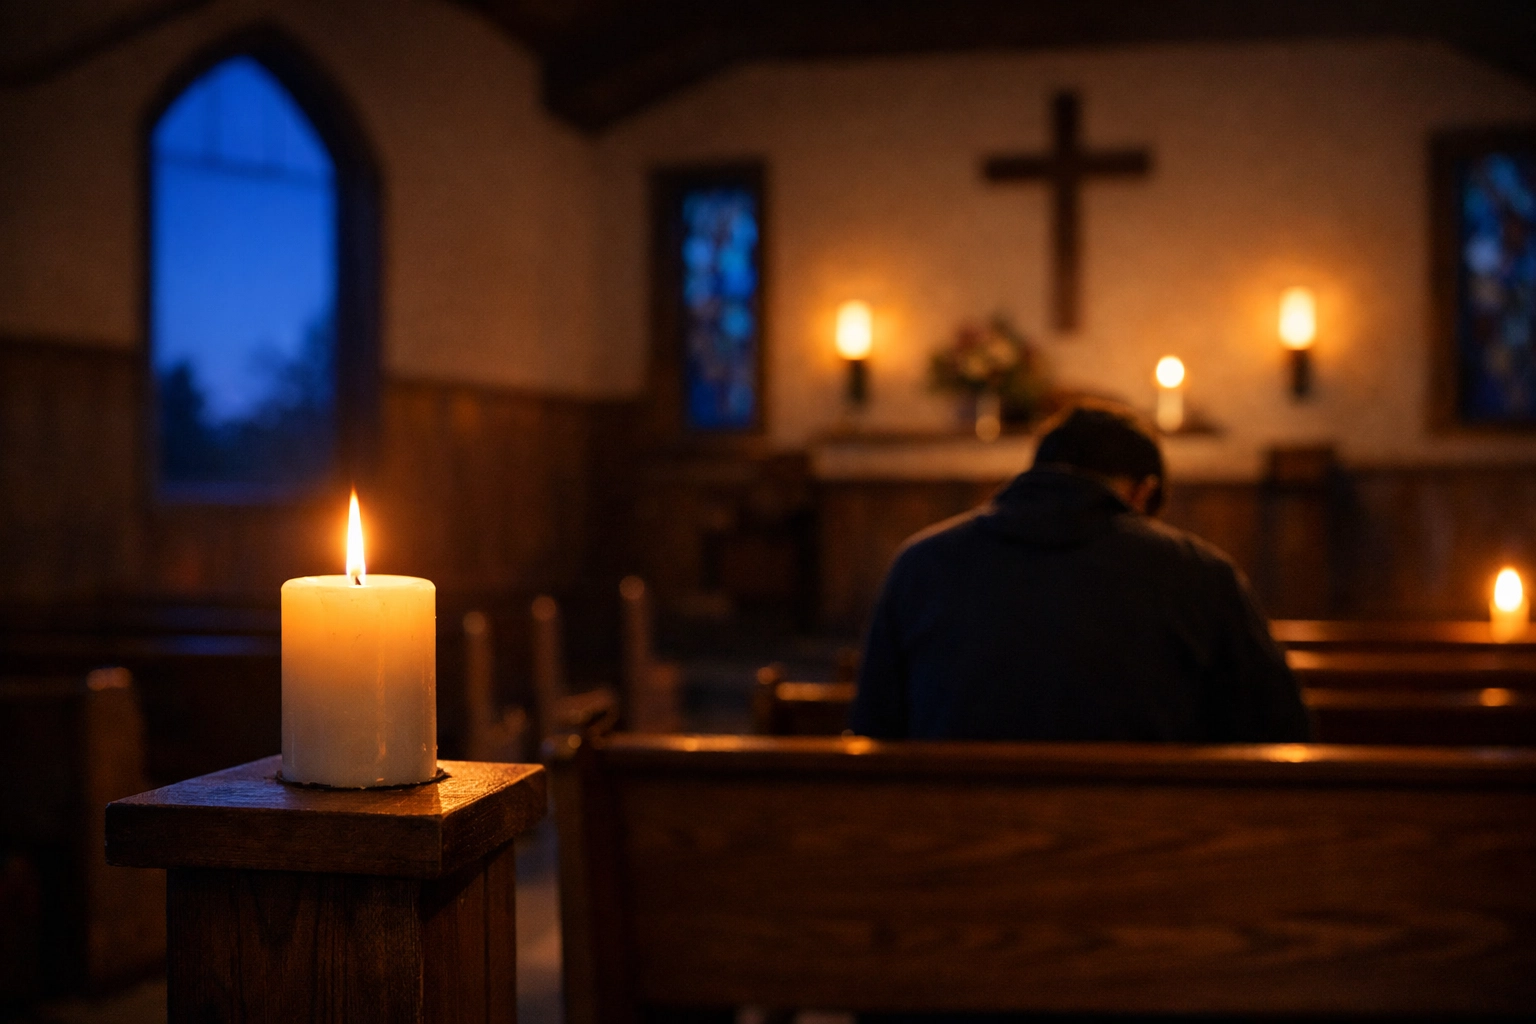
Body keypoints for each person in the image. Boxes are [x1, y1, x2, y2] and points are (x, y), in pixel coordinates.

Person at [849, 400, 1312, 742]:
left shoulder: (922, 563)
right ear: (1142, 494)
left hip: (947, 854)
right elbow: (1280, 733)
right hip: (1155, 855)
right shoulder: (1203, 574)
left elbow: (872, 731)